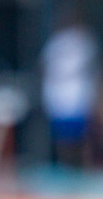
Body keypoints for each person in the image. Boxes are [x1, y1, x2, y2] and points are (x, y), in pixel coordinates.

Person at [41, 15, 99, 169]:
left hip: (78, 97)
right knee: (63, 140)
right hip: (61, 98)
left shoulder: (83, 41)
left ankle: (82, 168)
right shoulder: (57, 43)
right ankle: (65, 167)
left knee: (82, 139)